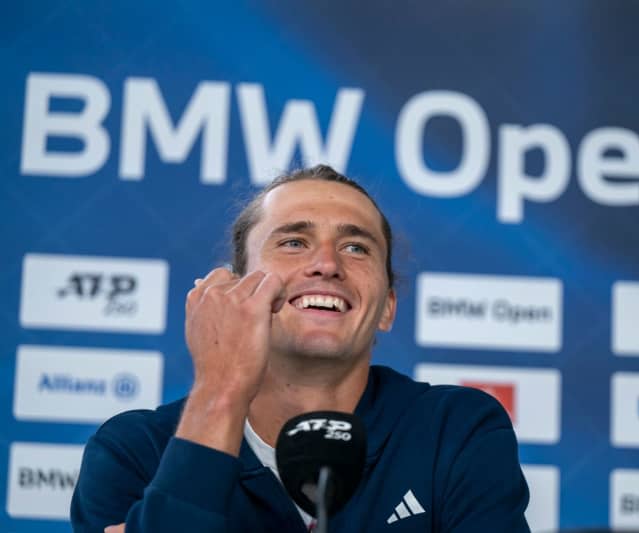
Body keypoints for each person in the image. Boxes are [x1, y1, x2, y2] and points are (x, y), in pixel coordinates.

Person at [71, 165, 530, 532]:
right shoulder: (133, 451)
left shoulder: (457, 430)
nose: (327, 264)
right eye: (293, 241)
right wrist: (219, 392)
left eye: (356, 247)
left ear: (386, 307)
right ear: (237, 293)